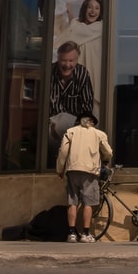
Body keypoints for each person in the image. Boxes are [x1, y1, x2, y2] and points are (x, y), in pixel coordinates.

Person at [55, 110, 114, 243]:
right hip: (90, 171)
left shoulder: (70, 132)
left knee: (72, 201)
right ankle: (86, 234)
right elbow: (108, 152)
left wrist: (60, 169)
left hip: (72, 170)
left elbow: (63, 152)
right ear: (92, 122)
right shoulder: (99, 134)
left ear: (79, 121)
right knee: (88, 203)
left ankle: (71, 234)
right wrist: (105, 161)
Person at [48, 41, 97, 155]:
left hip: (74, 125)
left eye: (71, 61)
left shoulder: (82, 73)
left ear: (77, 59)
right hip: (50, 124)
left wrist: (79, 130)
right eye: (64, 60)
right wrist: (52, 127)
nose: (67, 65)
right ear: (58, 59)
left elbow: (87, 107)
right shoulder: (49, 72)